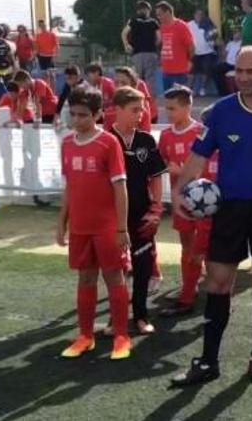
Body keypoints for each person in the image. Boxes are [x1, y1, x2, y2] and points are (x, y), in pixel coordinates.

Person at [169, 46, 252, 386]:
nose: (242, 77)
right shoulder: (220, 112)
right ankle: (208, 361)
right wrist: (177, 192)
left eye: (250, 71)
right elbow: (198, 157)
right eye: (238, 71)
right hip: (228, 208)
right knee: (217, 282)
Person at [56, 89, 132, 360]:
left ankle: (121, 335)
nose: (77, 120)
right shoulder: (66, 143)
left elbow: (121, 188)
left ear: (99, 114)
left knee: (114, 276)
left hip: (106, 226)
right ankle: (85, 335)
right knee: (85, 277)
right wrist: (61, 221)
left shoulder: (109, 143)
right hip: (80, 226)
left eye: (83, 115)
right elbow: (69, 187)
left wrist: (121, 228)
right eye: (73, 114)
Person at [109, 86, 167, 335]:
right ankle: (116, 317)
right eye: (135, 109)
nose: (141, 114)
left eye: (142, 108)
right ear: (117, 110)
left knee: (143, 265)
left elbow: (155, 175)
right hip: (111, 216)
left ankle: (141, 315)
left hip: (141, 213)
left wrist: (155, 207)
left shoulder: (146, 140)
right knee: (115, 268)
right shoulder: (106, 139)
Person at [157, 85, 208, 317]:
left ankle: (198, 287)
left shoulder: (202, 132)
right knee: (187, 244)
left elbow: (210, 166)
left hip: (203, 202)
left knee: (205, 246)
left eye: (173, 108)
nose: (169, 113)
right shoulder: (166, 135)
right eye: (167, 109)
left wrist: (186, 171)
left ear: (188, 107)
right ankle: (191, 284)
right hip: (180, 201)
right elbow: (160, 163)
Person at [155, 1, 194, 92]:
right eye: (157, 15)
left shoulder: (181, 26)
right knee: (168, 99)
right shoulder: (161, 27)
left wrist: (190, 61)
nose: (158, 17)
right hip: (166, 71)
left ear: (168, 12)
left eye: (160, 14)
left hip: (179, 72)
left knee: (178, 98)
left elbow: (191, 46)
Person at [122, 1, 160, 89]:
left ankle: (138, 97)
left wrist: (126, 45)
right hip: (151, 52)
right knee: (150, 79)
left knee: (136, 78)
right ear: (148, 10)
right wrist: (154, 45)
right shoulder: (153, 22)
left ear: (138, 11)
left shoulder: (133, 21)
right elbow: (159, 38)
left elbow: (124, 33)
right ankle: (149, 98)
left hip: (137, 53)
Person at [189, 9, 218, 97]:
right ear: (194, 15)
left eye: (201, 14)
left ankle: (202, 88)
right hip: (195, 52)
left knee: (205, 71)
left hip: (207, 51)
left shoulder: (208, 24)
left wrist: (212, 41)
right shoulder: (189, 24)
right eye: (197, 14)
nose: (199, 16)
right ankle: (190, 90)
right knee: (192, 72)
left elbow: (215, 33)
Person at [213, 29, 242, 96]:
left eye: (237, 34)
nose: (236, 35)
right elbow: (225, 54)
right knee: (216, 70)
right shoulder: (230, 43)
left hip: (237, 64)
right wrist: (221, 45)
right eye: (235, 34)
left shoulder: (242, 43)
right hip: (228, 64)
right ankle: (222, 92)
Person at [34, 19, 60, 88]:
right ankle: (47, 91)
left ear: (46, 25)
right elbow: (37, 48)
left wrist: (55, 56)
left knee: (52, 75)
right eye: (41, 25)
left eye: (43, 25)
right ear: (39, 26)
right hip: (42, 57)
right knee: (45, 75)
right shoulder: (38, 36)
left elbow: (57, 46)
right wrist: (36, 56)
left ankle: (53, 93)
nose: (42, 26)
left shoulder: (52, 35)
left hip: (50, 57)